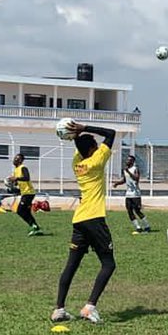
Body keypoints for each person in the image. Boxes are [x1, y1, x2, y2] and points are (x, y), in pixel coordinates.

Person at [51, 121, 117, 324]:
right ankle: (89, 307)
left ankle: (59, 309)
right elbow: (111, 133)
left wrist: (75, 134)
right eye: (95, 146)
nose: (99, 147)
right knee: (108, 264)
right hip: (94, 219)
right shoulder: (96, 161)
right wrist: (84, 128)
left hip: (79, 220)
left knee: (71, 265)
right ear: (91, 150)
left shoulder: (77, 163)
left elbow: (81, 147)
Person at [112, 154, 151, 234]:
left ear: (132, 161)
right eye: (127, 159)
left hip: (136, 194)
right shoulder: (125, 170)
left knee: (137, 211)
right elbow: (124, 180)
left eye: (129, 160)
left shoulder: (135, 169)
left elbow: (136, 178)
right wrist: (117, 183)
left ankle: (147, 226)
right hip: (128, 194)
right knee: (129, 211)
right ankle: (138, 228)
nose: (127, 161)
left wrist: (128, 172)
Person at [7, 153, 41, 236]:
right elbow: (18, 183)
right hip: (25, 193)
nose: (15, 160)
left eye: (17, 159)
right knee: (26, 212)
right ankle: (36, 228)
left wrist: (16, 178)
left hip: (29, 193)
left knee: (20, 210)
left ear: (21, 160)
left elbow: (26, 178)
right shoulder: (16, 170)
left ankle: (34, 226)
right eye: (15, 158)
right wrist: (12, 184)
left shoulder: (23, 168)